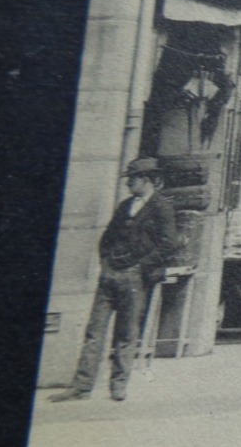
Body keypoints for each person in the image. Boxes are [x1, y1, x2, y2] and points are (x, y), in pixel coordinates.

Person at [51, 157, 178, 403]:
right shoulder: (124, 206)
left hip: (135, 277)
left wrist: (142, 265)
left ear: (147, 180)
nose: (129, 183)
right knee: (94, 331)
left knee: (126, 333)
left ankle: (118, 385)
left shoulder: (162, 207)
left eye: (132, 179)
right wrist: (106, 262)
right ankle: (81, 386)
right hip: (110, 275)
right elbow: (107, 236)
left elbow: (169, 244)